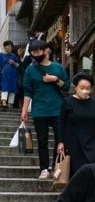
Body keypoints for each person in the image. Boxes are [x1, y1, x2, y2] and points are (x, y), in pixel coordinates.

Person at [20, 39, 69, 179]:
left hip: (57, 109)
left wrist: (55, 79)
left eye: (38, 51)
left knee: (60, 140)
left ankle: (56, 167)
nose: (36, 54)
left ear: (46, 51)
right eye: (33, 52)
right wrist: (24, 111)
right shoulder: (30, 70)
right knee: (42, 140)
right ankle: (44, 168)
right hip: (39, 110)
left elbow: (66, 86)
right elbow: (28, 91)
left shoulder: (58, 68)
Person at [57, 73, 95, 177]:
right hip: (72, 143)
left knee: (90, 171)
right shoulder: (68, 102)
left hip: (90, 143)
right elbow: (61, 123)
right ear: (75, 87)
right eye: (82, 87)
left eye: (88, 88)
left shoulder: (94, 103)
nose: (85, 90)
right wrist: (60, 142)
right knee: (75, 173)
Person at [0, 41, 19, 108]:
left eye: (11, 46)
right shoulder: (1, 55)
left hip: (12, 74)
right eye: (8, 46)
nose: (10, 47)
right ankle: (4, 101)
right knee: (4, 86)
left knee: (12, 87)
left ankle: (10, 103)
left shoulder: (13, 55)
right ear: (4, 46)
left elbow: (18, 65)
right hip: (4, 74)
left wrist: (14, 62)